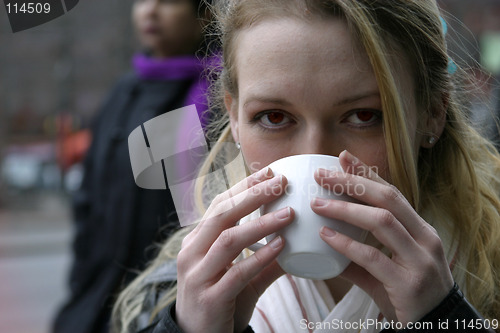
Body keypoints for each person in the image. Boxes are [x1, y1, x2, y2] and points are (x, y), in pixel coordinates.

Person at [112, 0, 500, 332]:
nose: (317, 163)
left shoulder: (490, 271)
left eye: (364, 115)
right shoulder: (184, 287)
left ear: (433, 113)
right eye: (275, 118)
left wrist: (443, 318)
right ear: (233, 118)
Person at [52, 1, 213, 332]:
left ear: (204, 15)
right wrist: (82, 281)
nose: (149, 11)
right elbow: (88, 202)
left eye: (168, 1)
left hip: (167, 304)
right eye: (142, 0)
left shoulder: (218, 94)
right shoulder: (123, 93)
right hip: (95, 302)